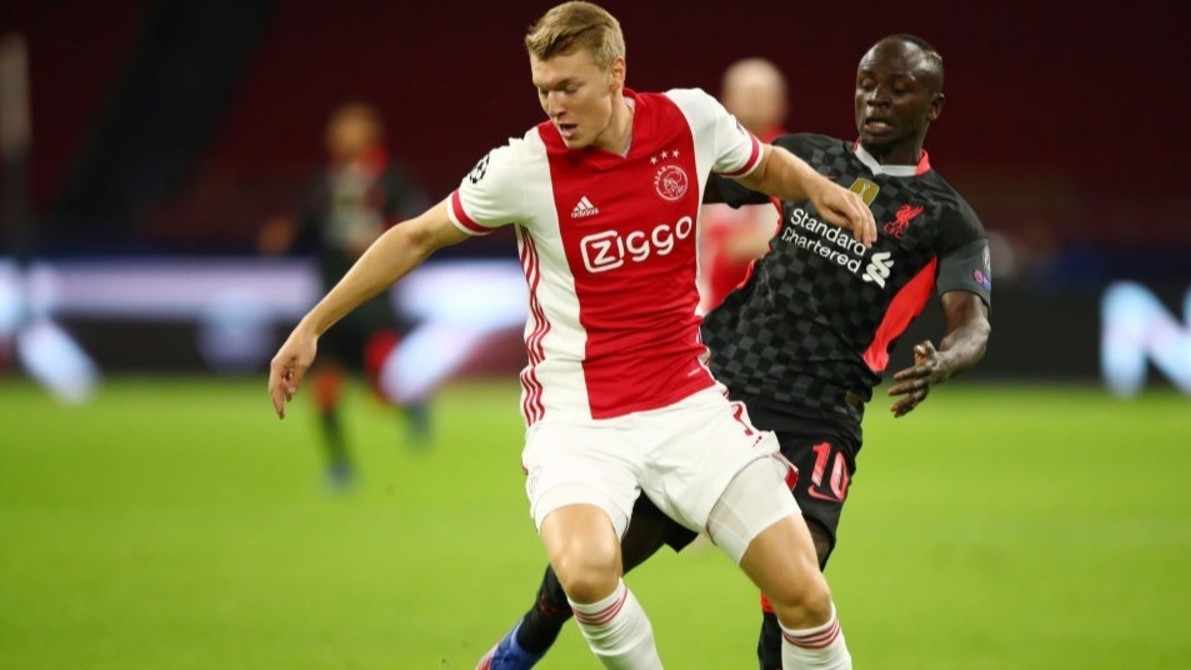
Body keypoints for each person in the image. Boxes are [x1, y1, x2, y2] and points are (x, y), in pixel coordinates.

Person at [268, 3, 874, 668]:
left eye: (568, 87)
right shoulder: (524, 167)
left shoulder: (690, 119)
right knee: (586, 574)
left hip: (688, 404)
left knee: (804, 594)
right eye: (543, 89)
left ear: (616, 73)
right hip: (578, 419)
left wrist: (817, 188)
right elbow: (415, 236)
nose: (554, 105)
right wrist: (312, 325)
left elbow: (762, 164)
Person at [479, 33, 992, 670]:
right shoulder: (806, 157)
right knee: (600, 555)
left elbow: (972, 321)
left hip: (820, 412)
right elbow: (681, 183)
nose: (877, 99)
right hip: (717, 385)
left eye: (899, 89)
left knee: (798, 580)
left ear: (934, 106)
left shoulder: (947, 216)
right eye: (867, 84)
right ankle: (525, 643)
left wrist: (947, 358)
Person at [259, 102, 430, 488]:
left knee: (382, 378)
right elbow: (306, 224)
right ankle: (340, 464)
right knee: (324, 386)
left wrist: (380, 240)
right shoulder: (325, 183)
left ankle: (410, 405)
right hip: (331, 298)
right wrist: (285, 234)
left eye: (350, 130)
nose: (341, 138)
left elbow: (416, 223)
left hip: (374, 298)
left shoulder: (391, 179)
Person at [698, 58, 789, 314]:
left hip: (768, 299)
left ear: (780, 103)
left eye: (761, 94)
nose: (753, 101)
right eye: (747, 93)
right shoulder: (706, 153)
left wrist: (732, 245)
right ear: (725, 100)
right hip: (709, 296)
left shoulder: (794, 161)